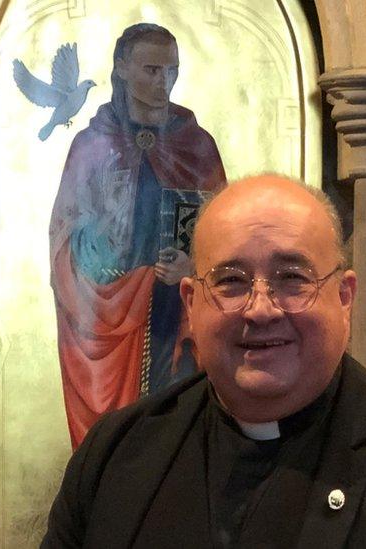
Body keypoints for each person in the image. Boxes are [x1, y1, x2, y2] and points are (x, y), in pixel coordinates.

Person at [42, 174, 366, 548]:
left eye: (292, 278)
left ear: (345, 297)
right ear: (191, 304)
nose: (261, 308)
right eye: (230, 281)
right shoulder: (116, 455)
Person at [49, 23, 227, 448]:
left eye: (171, 71)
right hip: (112, 311)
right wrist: (111, 264)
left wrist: (196, 265)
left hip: (178, 314)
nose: (162, 82)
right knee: (118, 440)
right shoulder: (91, 146)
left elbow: (226, 233)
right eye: (151, 69)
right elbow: (64, 239)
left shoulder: (197, 147)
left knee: (175, 430)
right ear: (122, 68)